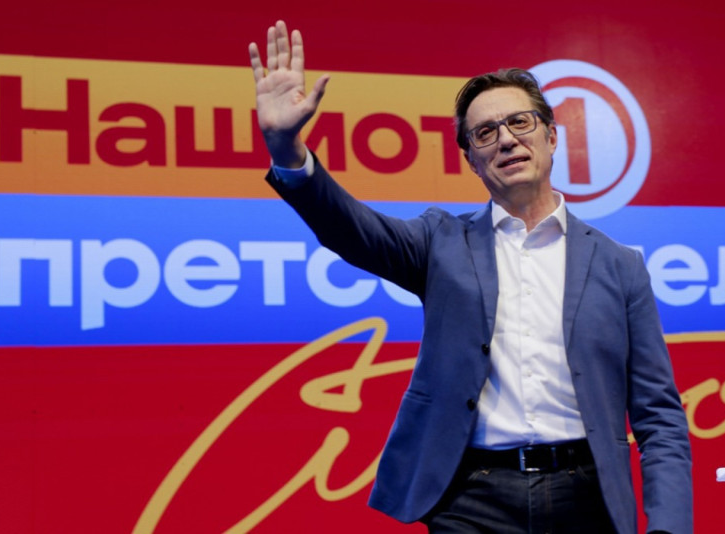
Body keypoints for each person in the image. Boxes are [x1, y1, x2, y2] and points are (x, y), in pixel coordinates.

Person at [248, 20, 692, 534]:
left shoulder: (620, 265)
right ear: (472, 162)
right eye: (485, 133)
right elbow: (351, 229)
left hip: (587, 498)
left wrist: (668, 526)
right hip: (472, 500)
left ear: (551, 137)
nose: (506, 140)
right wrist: (287, 150)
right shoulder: (440, 241)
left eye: (520, 123)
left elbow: (660, 418)